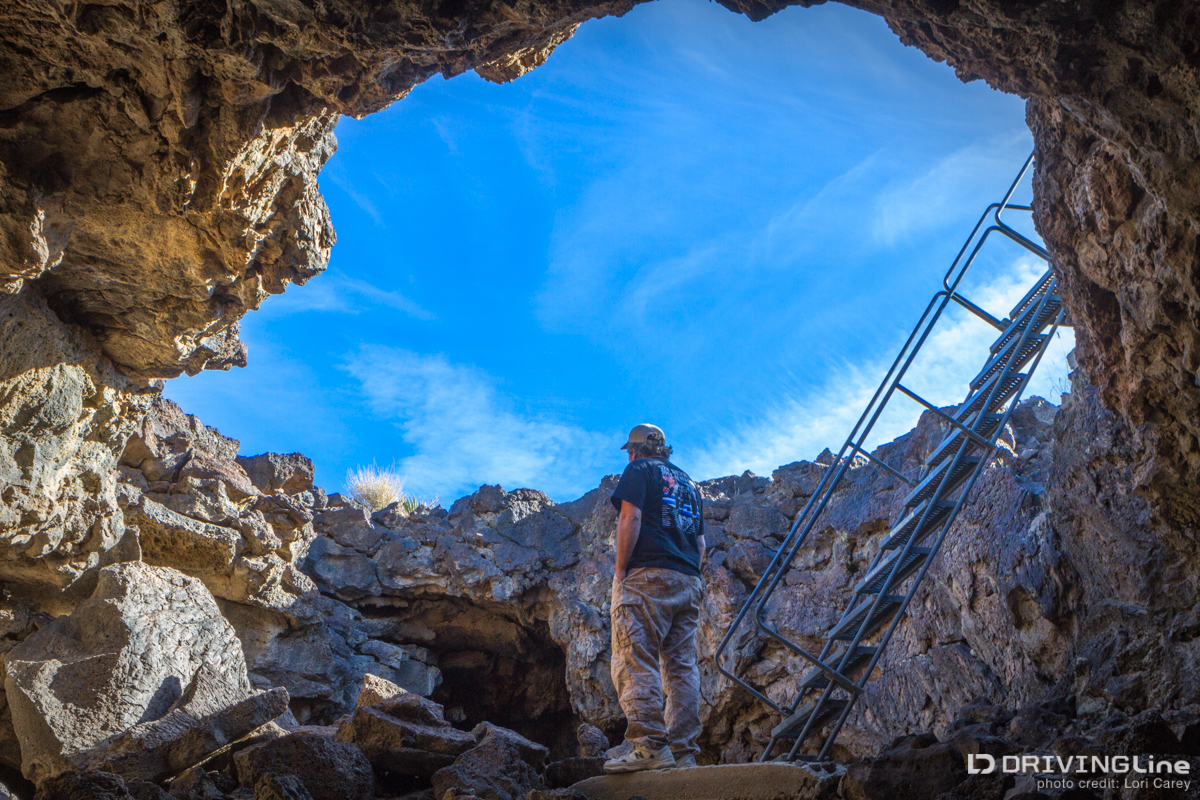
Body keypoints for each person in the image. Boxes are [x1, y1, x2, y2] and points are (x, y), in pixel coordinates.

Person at [604, 423, 706, 774]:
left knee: (635, 655)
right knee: (681, 667)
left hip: (646, 577)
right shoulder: (690, 484)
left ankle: (649, 747)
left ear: (634, 451)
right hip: (688, 579)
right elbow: (701, 543)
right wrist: (690, 575)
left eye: (629, 452)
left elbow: (630, 518)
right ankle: (684, 753)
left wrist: (621, 570)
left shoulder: (638, 470)